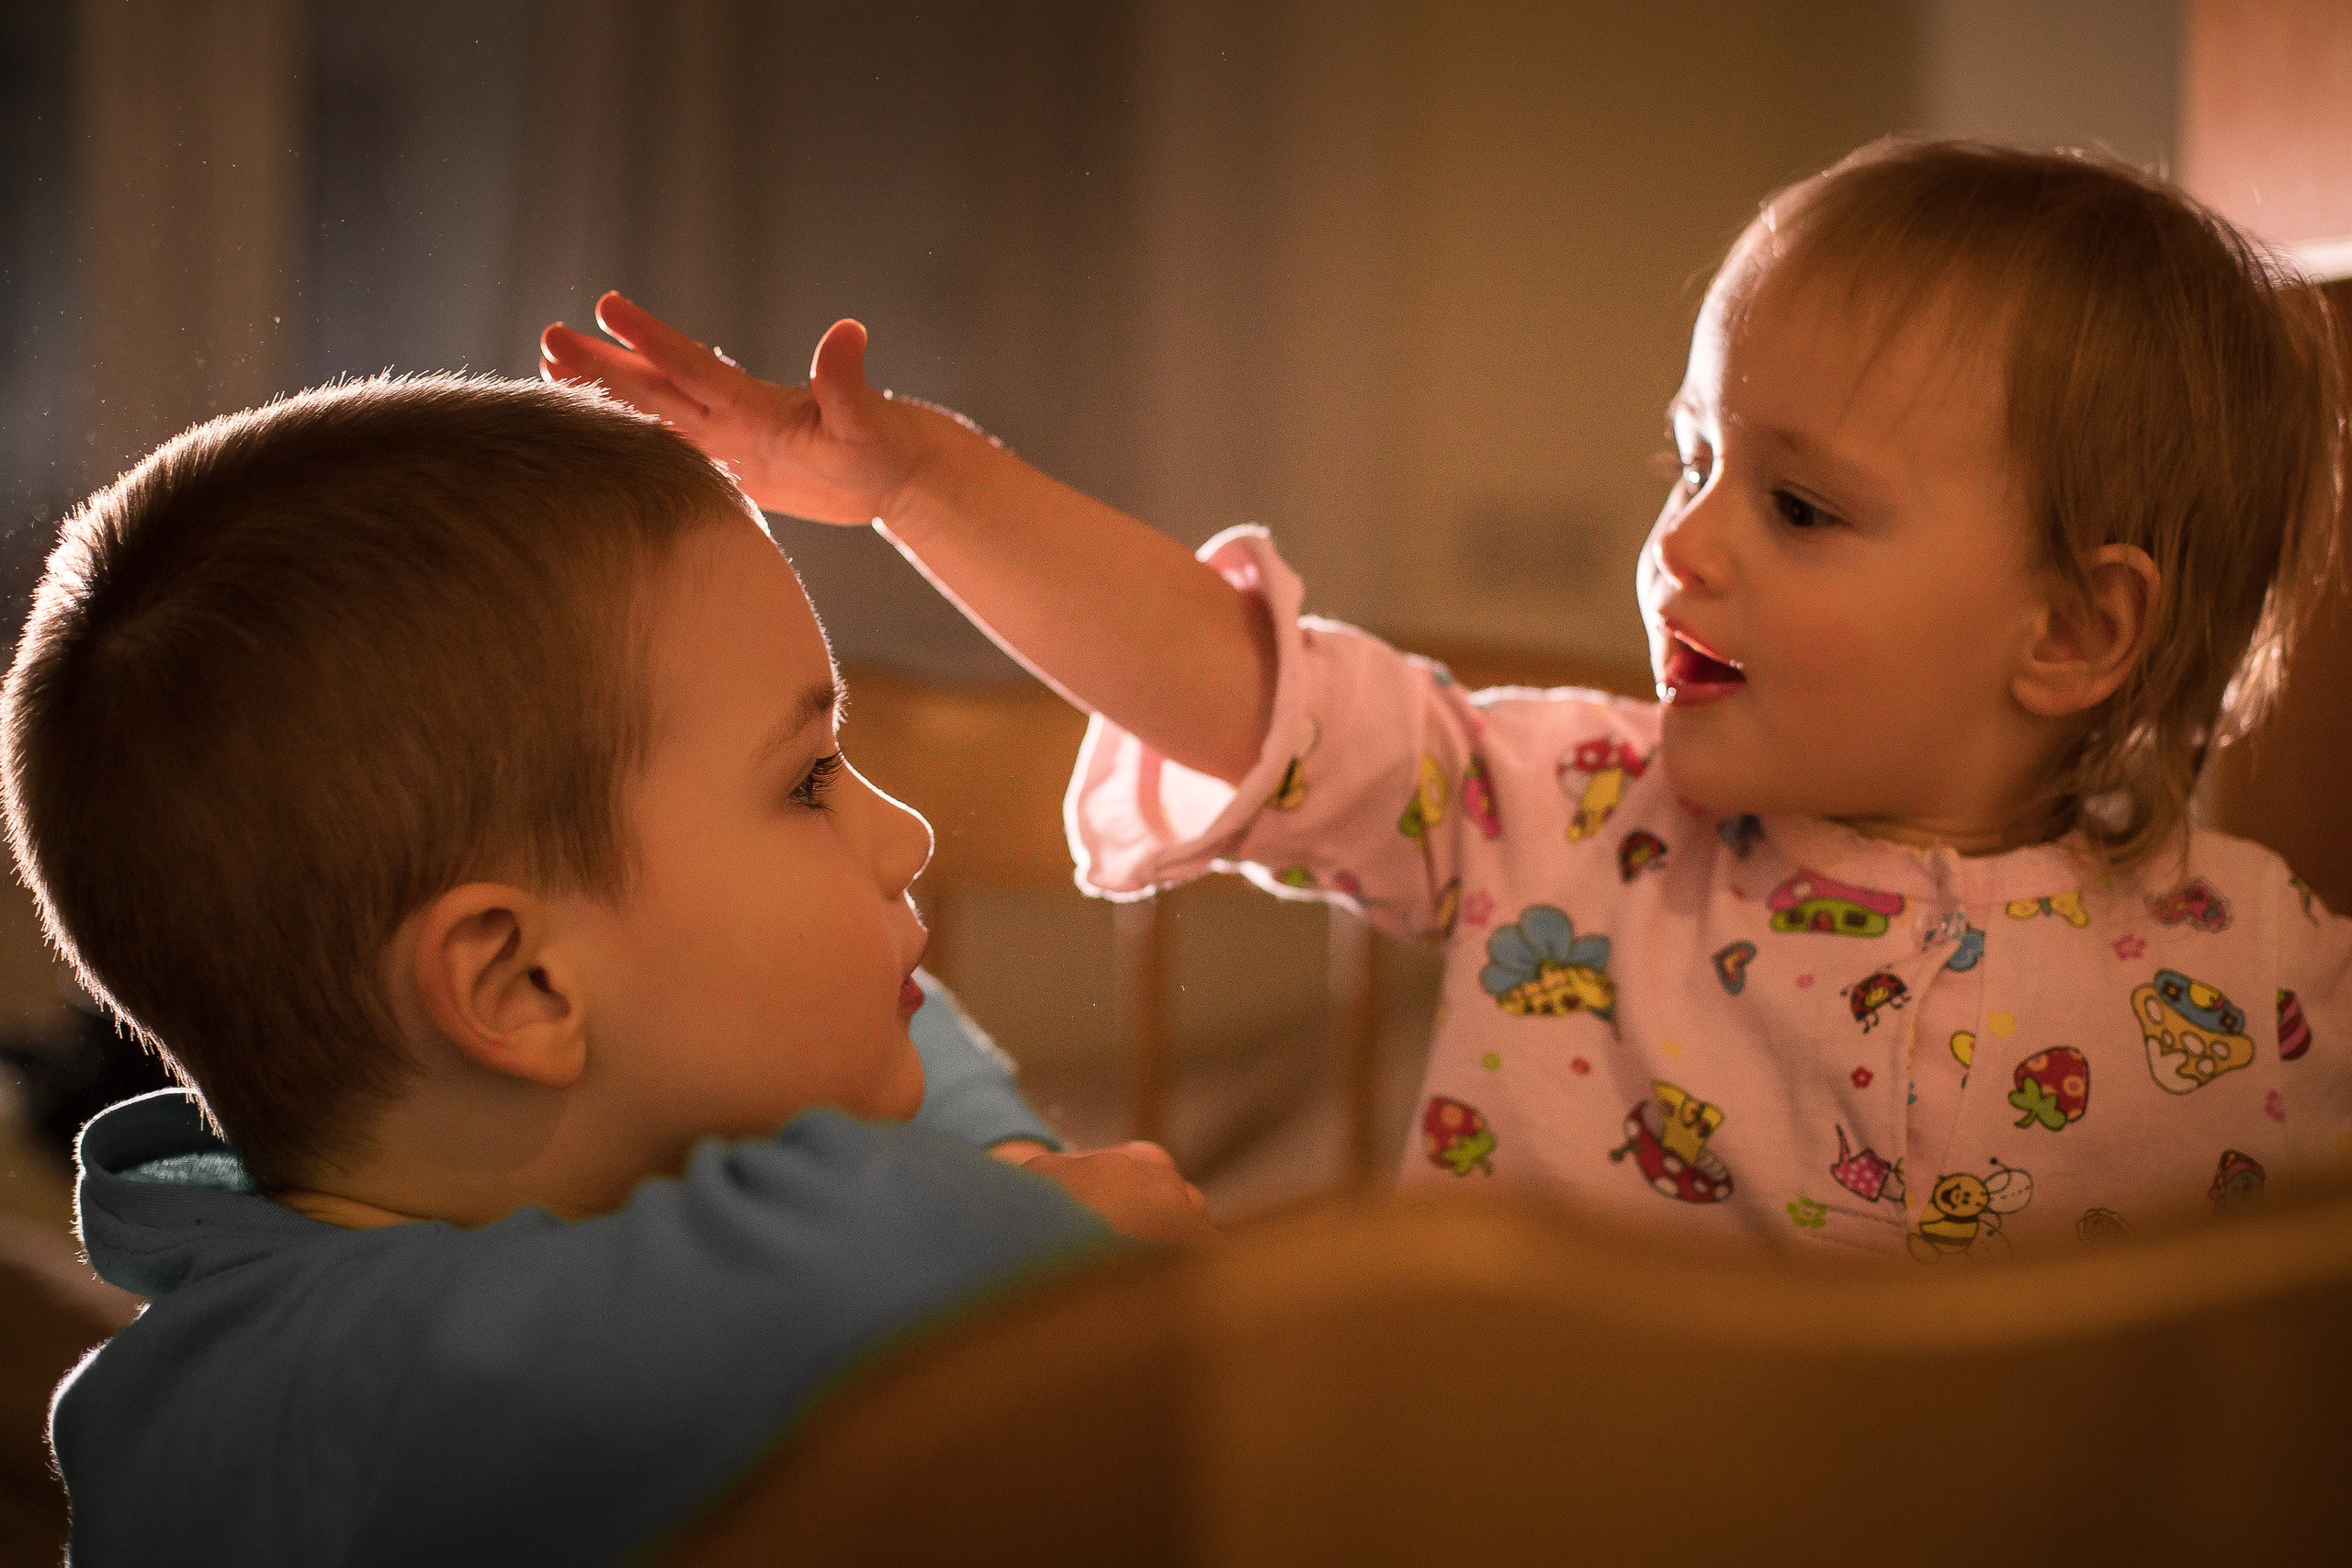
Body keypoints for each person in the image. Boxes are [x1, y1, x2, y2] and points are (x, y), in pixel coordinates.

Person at [543, 139, 2352, 1263]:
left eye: (1794, 504)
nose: (1679, 546)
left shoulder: (2263, 979)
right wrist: (922, 482)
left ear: (2070, 631)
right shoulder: (1556, 803)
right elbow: (1235, 690)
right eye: (1692, 459)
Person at [3, 374, 1213, 1566]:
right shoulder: (292, 1407)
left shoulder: (606, 1237)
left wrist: (1009, 1176)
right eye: (806, 781)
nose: (909, 837)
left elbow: (926, 1141)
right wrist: (1044, 1218)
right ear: (520, 985)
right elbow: (902, 1237)